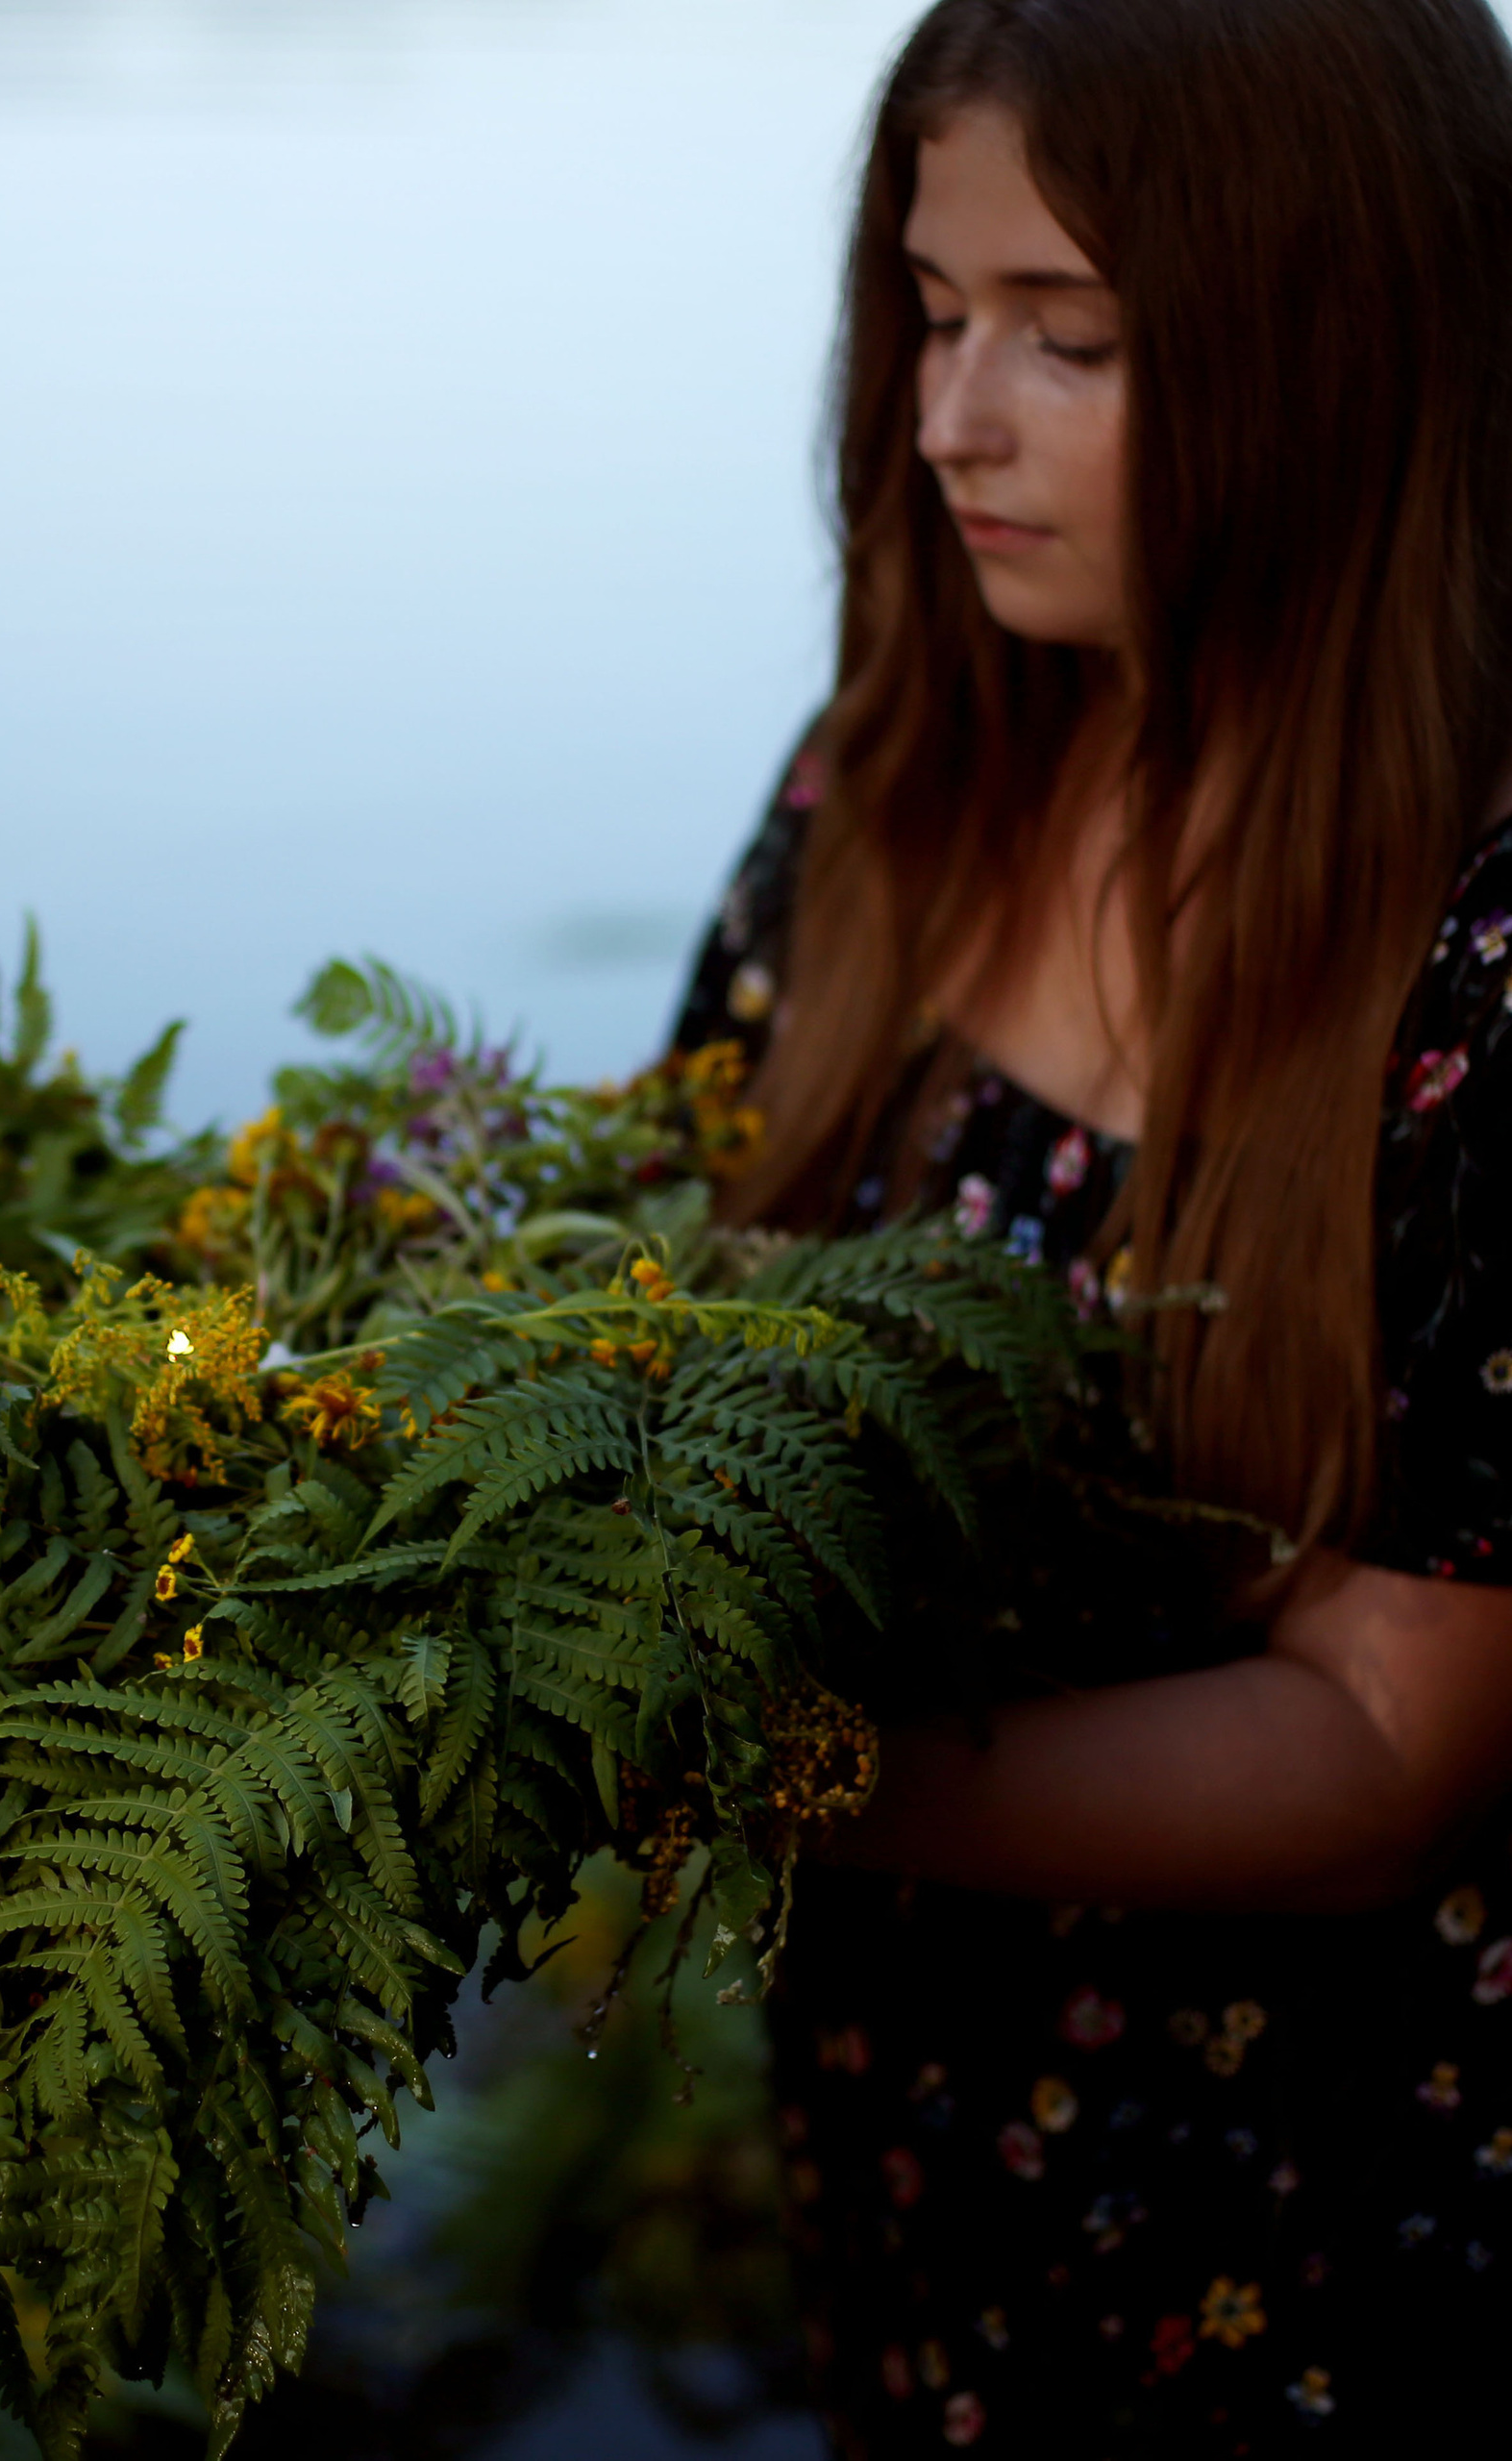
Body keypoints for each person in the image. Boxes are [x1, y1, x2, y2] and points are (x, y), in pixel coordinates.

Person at [672, 2, 1512, 2450]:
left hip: (1339, 2222)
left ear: (1343, 346)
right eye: (930, 317)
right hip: (913, 2136)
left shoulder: (1481, 955)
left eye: (1069, 337)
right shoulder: (893, 784)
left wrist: (751, 1758)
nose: (947, 423)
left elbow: (1391, 1745)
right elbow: (643, 1287)